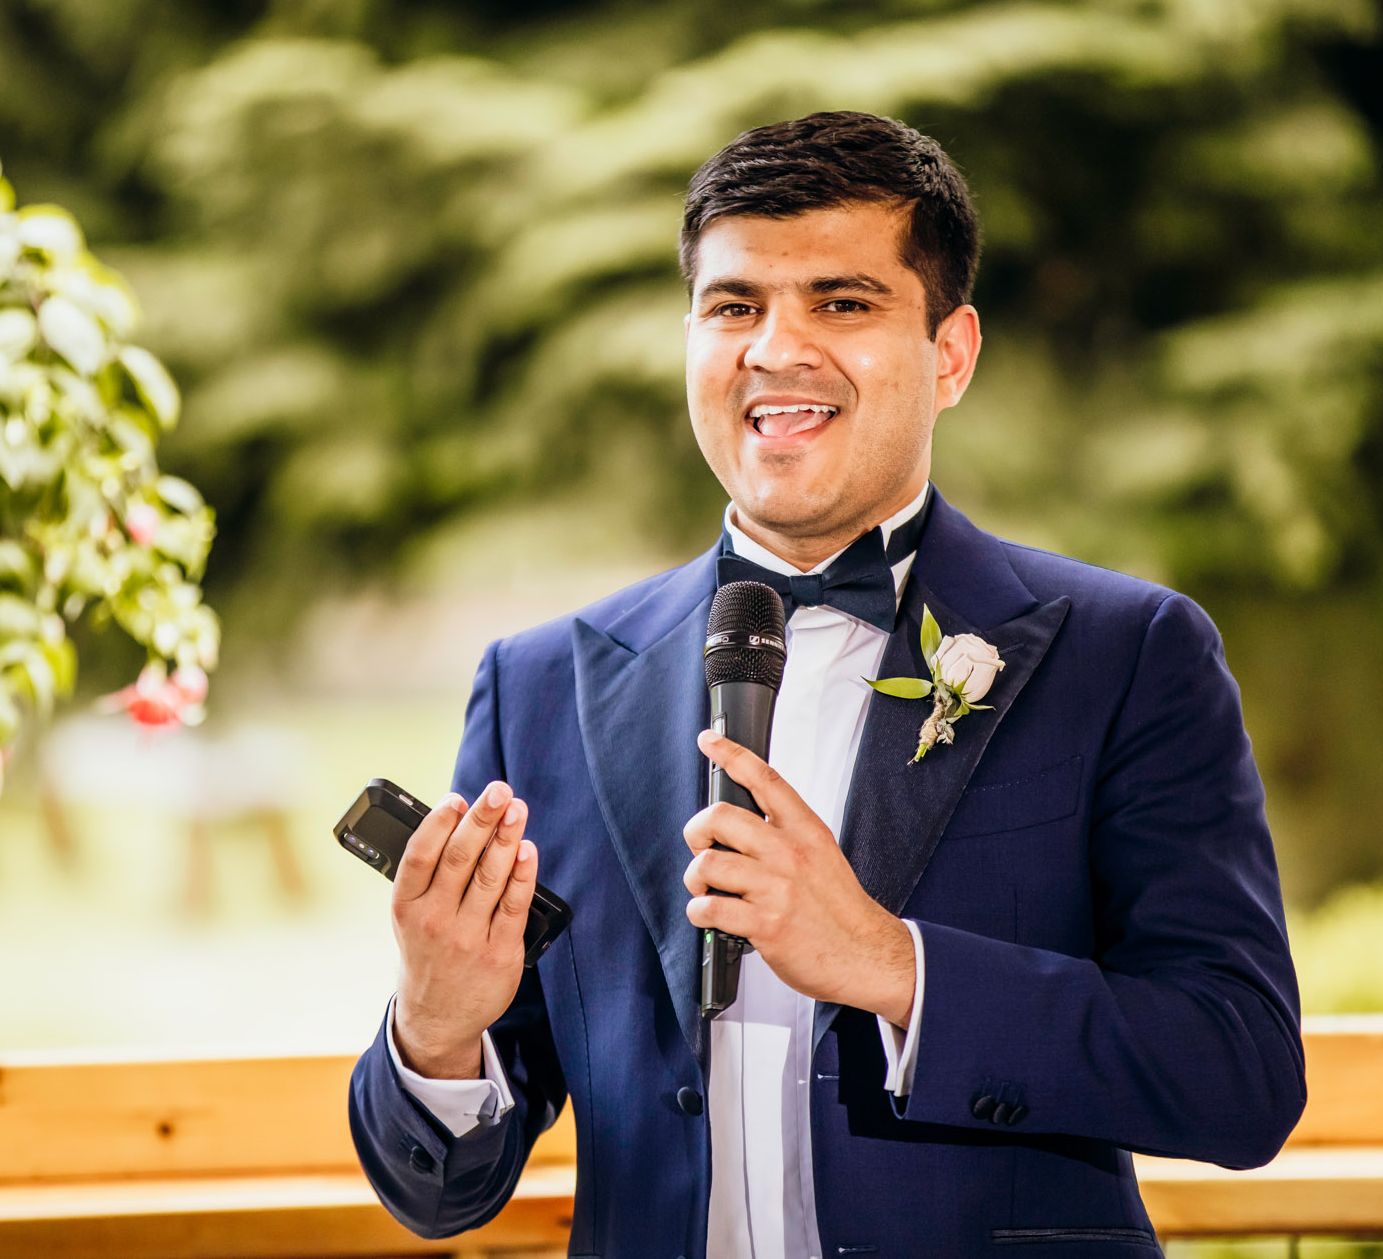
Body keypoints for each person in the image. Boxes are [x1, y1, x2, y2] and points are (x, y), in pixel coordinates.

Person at [348, 110, 1305, 1256]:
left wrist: (890, 965)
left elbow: (1238, 1071)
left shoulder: (1129, 652)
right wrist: (440, 1022)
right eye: (733, 305)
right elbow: (440, 1191)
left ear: (948, 353)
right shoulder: (537, 682)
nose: (774, 348)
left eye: (840, 304)